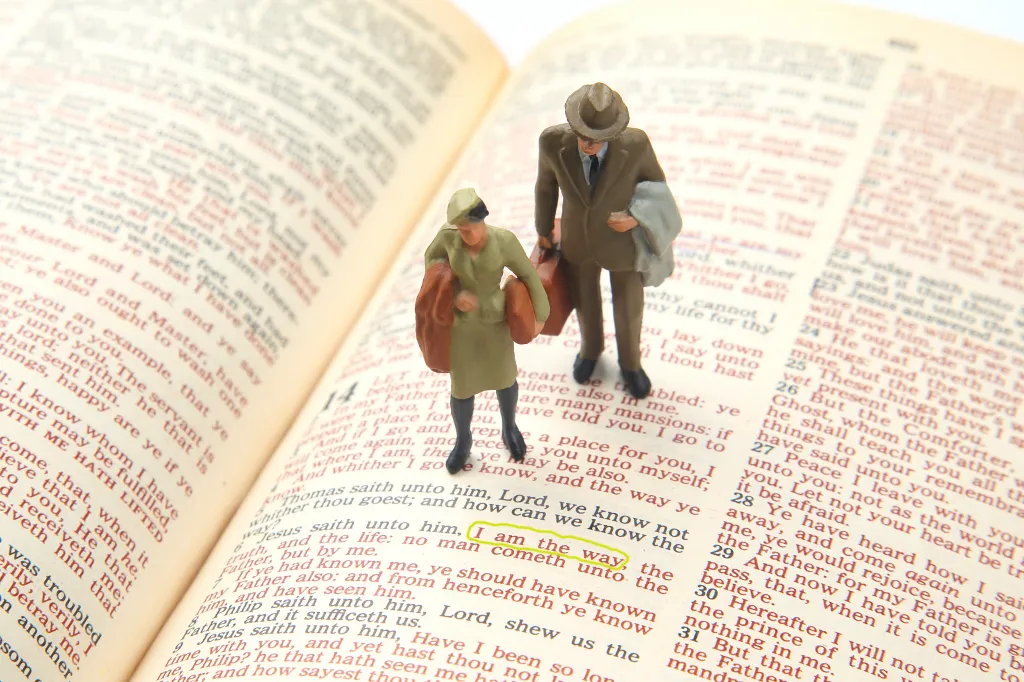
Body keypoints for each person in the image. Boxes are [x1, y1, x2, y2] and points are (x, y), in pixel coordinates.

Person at [535, 82, 668, 399]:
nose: (588, 143)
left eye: (597, 138)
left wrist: (636, 216)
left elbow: (656, 188)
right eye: (582, 134)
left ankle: (631, 363)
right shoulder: (552, 142)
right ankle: (590, 350)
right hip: (577, 238)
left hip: (622, 241)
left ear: (614, 132)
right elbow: (545, 186)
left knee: (628, 304)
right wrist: (543, 228)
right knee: (584, 299)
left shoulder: (636, 145)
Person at [424, 188, 550, 474]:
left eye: (471, 227)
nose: (466, 234)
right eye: (461, 229)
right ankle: (463, 441)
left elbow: (528, 275)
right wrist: (453, 293)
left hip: (495, 321)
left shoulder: (503, 240)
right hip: (463, 325)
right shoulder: (448, 237)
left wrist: (540, 315)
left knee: (504, 378)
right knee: (462, 387)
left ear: (482, 219)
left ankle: (509, 427)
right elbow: (432, 260)